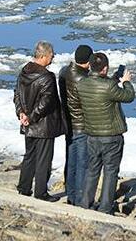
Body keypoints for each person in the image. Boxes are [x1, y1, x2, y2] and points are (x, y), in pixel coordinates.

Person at [77, 52, 135, 214]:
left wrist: (115, 79)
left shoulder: (82, 84)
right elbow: (128, 96)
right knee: (110, 171)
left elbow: (102, 87)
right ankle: (105, 208)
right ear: (105, 68)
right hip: (111, 136)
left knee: (92, 169)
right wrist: (126, 82)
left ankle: (86, 203)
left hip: (92, 135)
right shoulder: (109, 87)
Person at [13, 41, 64, 202]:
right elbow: (46, 102)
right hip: (43, 125)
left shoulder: (24, 72)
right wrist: (31, 116)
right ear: (42, 56)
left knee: (30, 156)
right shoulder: (47, 77)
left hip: (28, 123)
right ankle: (41, 193)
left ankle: (24, 187)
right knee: (43, 159)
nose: (53, 56)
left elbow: (17, 95)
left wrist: (21, 113)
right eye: (51, 54)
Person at [58, 44, 93, 205]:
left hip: (68, 123)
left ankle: (71, 194)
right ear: (88, 61)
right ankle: (79, 199)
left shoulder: (64, 72)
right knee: (82, 163)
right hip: (81, 124)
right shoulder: (83, 79)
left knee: (71, 161)